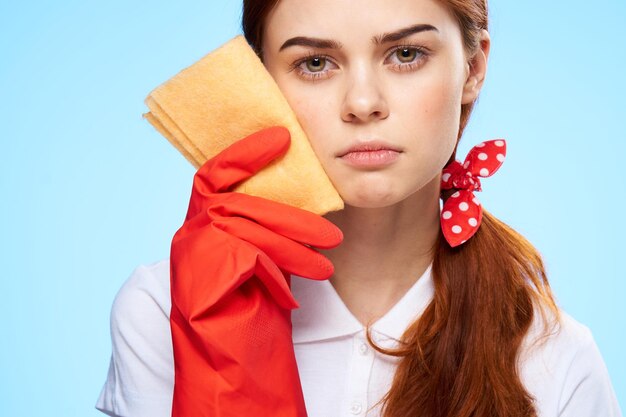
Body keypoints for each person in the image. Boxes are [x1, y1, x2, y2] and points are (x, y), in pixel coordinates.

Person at [95, 0, 623, 416]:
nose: (363, 102)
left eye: (406, 54)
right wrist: (225, 361)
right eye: (316, 63)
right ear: (261, 84)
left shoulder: (555, 356)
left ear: (474, 67)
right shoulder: (165, 309)